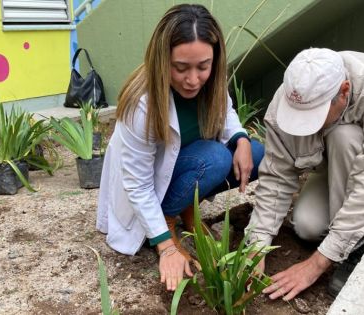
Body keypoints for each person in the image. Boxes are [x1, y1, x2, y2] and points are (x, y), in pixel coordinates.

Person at [96, 4, 264, 292]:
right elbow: (137, 184)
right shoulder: (142, 103)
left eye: (203, 66)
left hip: (184, 166)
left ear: (214, 59)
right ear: (162, 60)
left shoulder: (211, 82)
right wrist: (166, 248)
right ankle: (165, 222)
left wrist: (242, 139)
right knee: (214, 159)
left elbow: (227, 114)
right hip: (154, 182)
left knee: (257, 155)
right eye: (180, 67)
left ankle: (186, 211)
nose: (193, 79)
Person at [245, 48, 364, 300]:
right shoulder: (290, 97)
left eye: (312, 117)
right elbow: (277, 177)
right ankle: (345, 226)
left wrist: (317, 264)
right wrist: (255, 248)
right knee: (307, 226)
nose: (303, 125)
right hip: (336, 160)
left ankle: (356, 245)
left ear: (344, 92)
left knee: (343, 135)